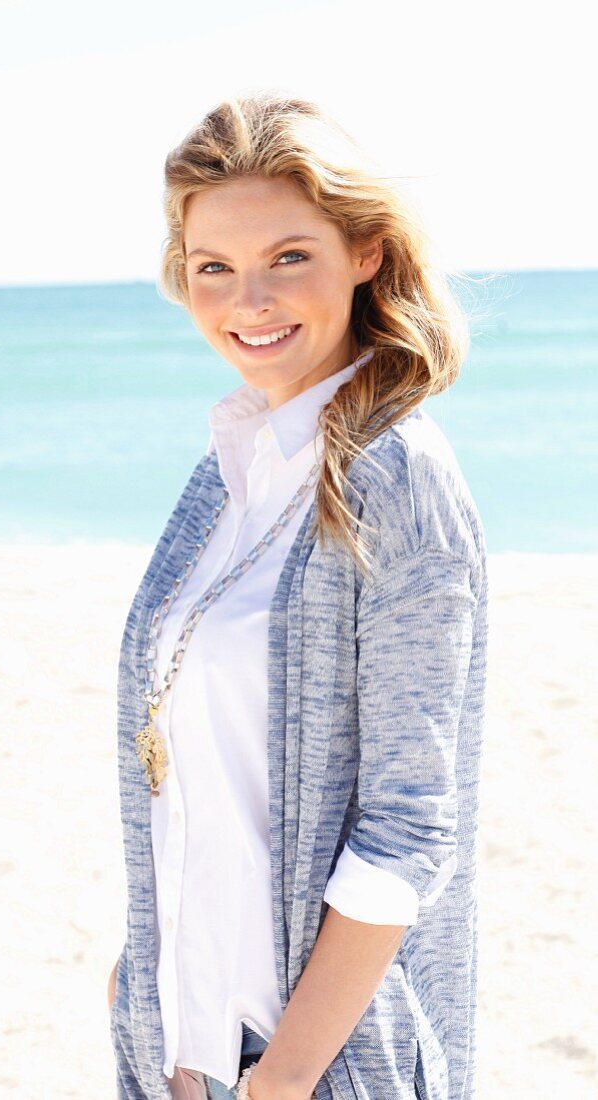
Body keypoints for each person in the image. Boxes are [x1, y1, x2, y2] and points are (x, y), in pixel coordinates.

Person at [107, 92, 489, 1100]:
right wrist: (139, 969)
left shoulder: (396, 475)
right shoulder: (228, 467)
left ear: (363, 251)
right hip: (179, 1043)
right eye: (213, 268)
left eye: (287, 257)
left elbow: (408, 828)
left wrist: (281, 1077)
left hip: (305, 1067)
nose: (250, 301)